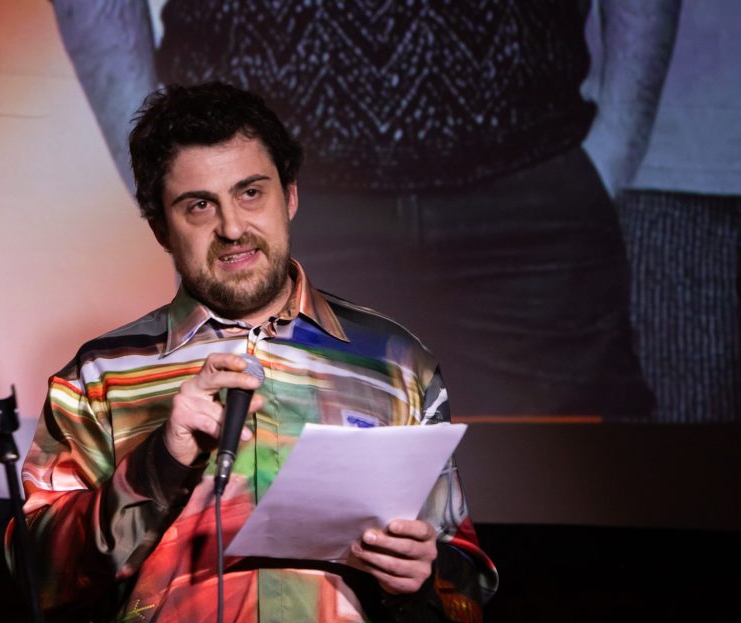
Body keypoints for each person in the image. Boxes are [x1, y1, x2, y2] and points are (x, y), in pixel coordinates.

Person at [10, 82, 497, 623]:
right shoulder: (101, 375)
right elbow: (37, 577)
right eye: (198, 206)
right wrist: (159, 464)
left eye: (250, 192)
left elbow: (466, 606)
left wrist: (422, 580)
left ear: (289, 196)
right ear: (161, 228)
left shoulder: (395, 363)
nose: (233, 227)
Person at [52, 0, 679, 418]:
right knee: (266, 498)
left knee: (570, 507)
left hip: (530, 182)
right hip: (271, 194)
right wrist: (173, 179)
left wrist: (613, 149)